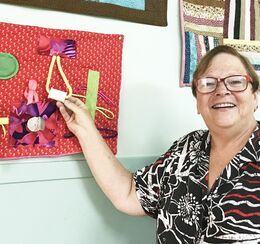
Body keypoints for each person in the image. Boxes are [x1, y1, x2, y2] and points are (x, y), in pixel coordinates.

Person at [56, 45, 260, 244]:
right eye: (208, 83)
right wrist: (85, 129)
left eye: (235, 81)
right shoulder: (186, 148)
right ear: (198, 102)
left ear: (255, 97)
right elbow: (128, 193)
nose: (222, 90)